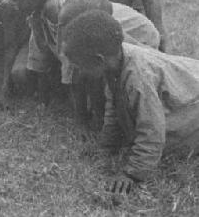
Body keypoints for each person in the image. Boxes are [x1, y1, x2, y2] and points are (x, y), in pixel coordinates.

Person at [62, 10, 199, 195]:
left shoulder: (138, 78)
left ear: (98, 60)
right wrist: (107, 146)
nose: (77, 71)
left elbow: (152, 131)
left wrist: (132, 174)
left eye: (79, 66)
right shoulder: (115, 62)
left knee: (170, 140)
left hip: (193, 102)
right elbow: (114, 108)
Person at [3, 0, 160, 104]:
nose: (12, 5)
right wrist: (43, 102)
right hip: (105, 43)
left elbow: (71, 63)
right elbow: (40, 55)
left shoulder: (61, 10)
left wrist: (81, 120)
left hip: (137, 36)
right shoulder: (38, 11)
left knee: (115, 87)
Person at [57, 0, 160, 129]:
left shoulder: (115, 41)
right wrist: (81, 120)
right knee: (93, 74)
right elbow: (75, 75)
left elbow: (147, 59)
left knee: (114, 83)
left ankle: (104, 119)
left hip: (145, 41)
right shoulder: (77, 29)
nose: (61, 32)